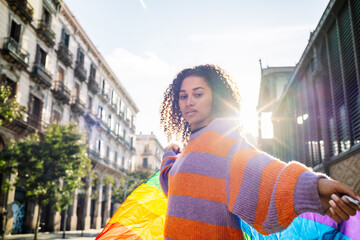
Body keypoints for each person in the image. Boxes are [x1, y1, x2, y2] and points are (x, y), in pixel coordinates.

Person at [159, 64, 360, 239]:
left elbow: (270, 176)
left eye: (198, 94)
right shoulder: (189, 150)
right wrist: (170, 157)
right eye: (183, 96)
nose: (189, 101)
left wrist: (317, 186)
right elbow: (175, 188)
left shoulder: (225, 143)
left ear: (216, 98)